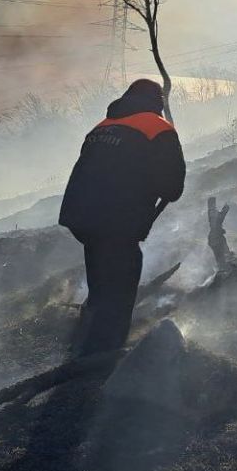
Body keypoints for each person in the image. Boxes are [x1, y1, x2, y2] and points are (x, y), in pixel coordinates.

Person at [59, 79, 186, 356]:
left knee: (101, 280)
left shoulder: (101, 127)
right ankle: (104, 354)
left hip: (81, 216)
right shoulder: (159, 128)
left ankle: (82, 343)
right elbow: (173, 188)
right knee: (121, 283)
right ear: (158, 103)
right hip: (117, 219)